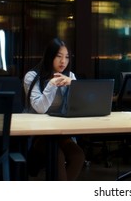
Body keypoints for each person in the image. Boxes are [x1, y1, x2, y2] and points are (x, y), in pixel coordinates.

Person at [24, 38, 85, 180]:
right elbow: (40, 108)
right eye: (59, 56)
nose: (63, 61)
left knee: (78, 156)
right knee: (57, 156)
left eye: (67, 57)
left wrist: (74, 85)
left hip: (61, 132)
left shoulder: (69, 76)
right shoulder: (32, 77)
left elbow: (80, 107)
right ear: (49, 56)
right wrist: (51, 84)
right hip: (38, 134)